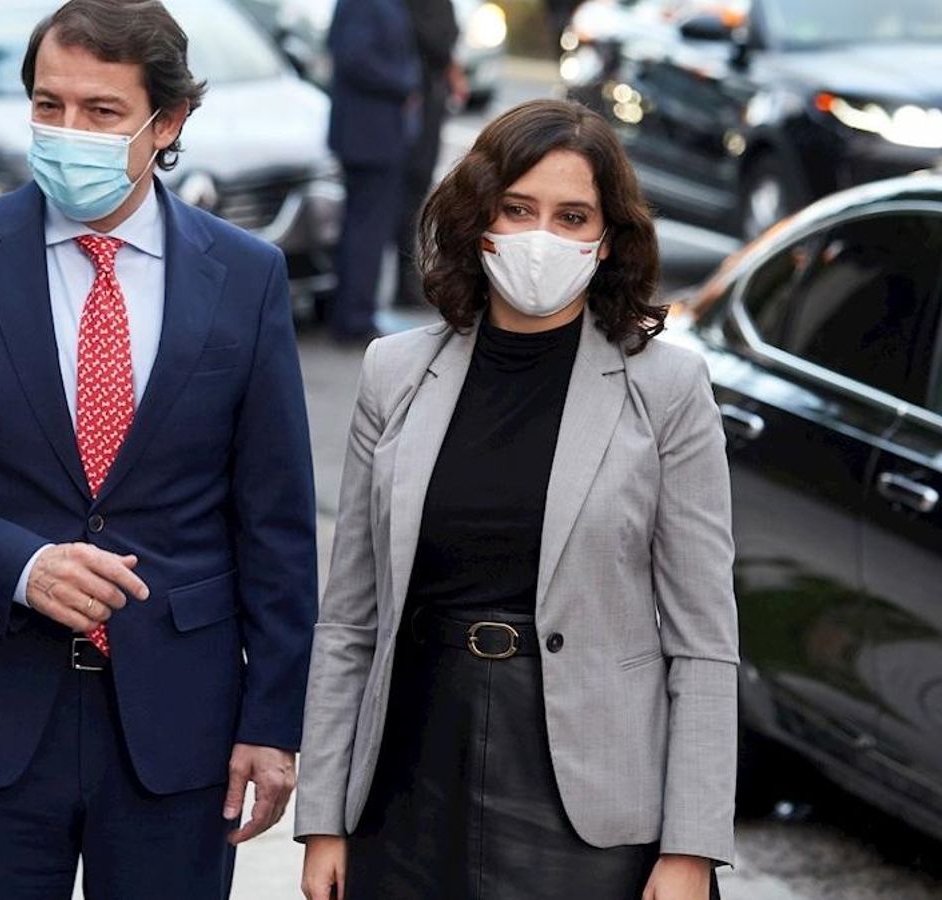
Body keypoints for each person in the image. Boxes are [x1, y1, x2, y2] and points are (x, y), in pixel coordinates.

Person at [0, 1, 318, 896]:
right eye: (50, 105)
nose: (68, 130)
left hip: (178, 727)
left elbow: (275, 518)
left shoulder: (245, 276)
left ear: (169, 122)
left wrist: (273, 720)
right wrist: (20, 565)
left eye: (102, 111)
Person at [296, 99, 736, 900]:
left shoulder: (668, 388)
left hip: (587, 800)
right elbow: (351, 618)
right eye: (518, 209)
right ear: (479, 219)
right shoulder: (395, 373)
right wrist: (323, 816)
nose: (543, 237)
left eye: (573, 217)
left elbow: (703, 639)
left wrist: (691, 848)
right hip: (409, 776)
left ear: (607, 238)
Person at [326, 0, 421, 344]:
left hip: (376, 134)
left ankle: (354, 312)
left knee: (366, 227)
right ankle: (354, 317)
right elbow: (354, 57)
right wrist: (405, 82)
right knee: (366, 229)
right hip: (368, 137)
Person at [394, 0, 467, 309]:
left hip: (422, 99)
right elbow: (438, 39)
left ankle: (405, 281)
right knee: (409, 195)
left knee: (411, 195)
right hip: (416, 102)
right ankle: (404, 282)